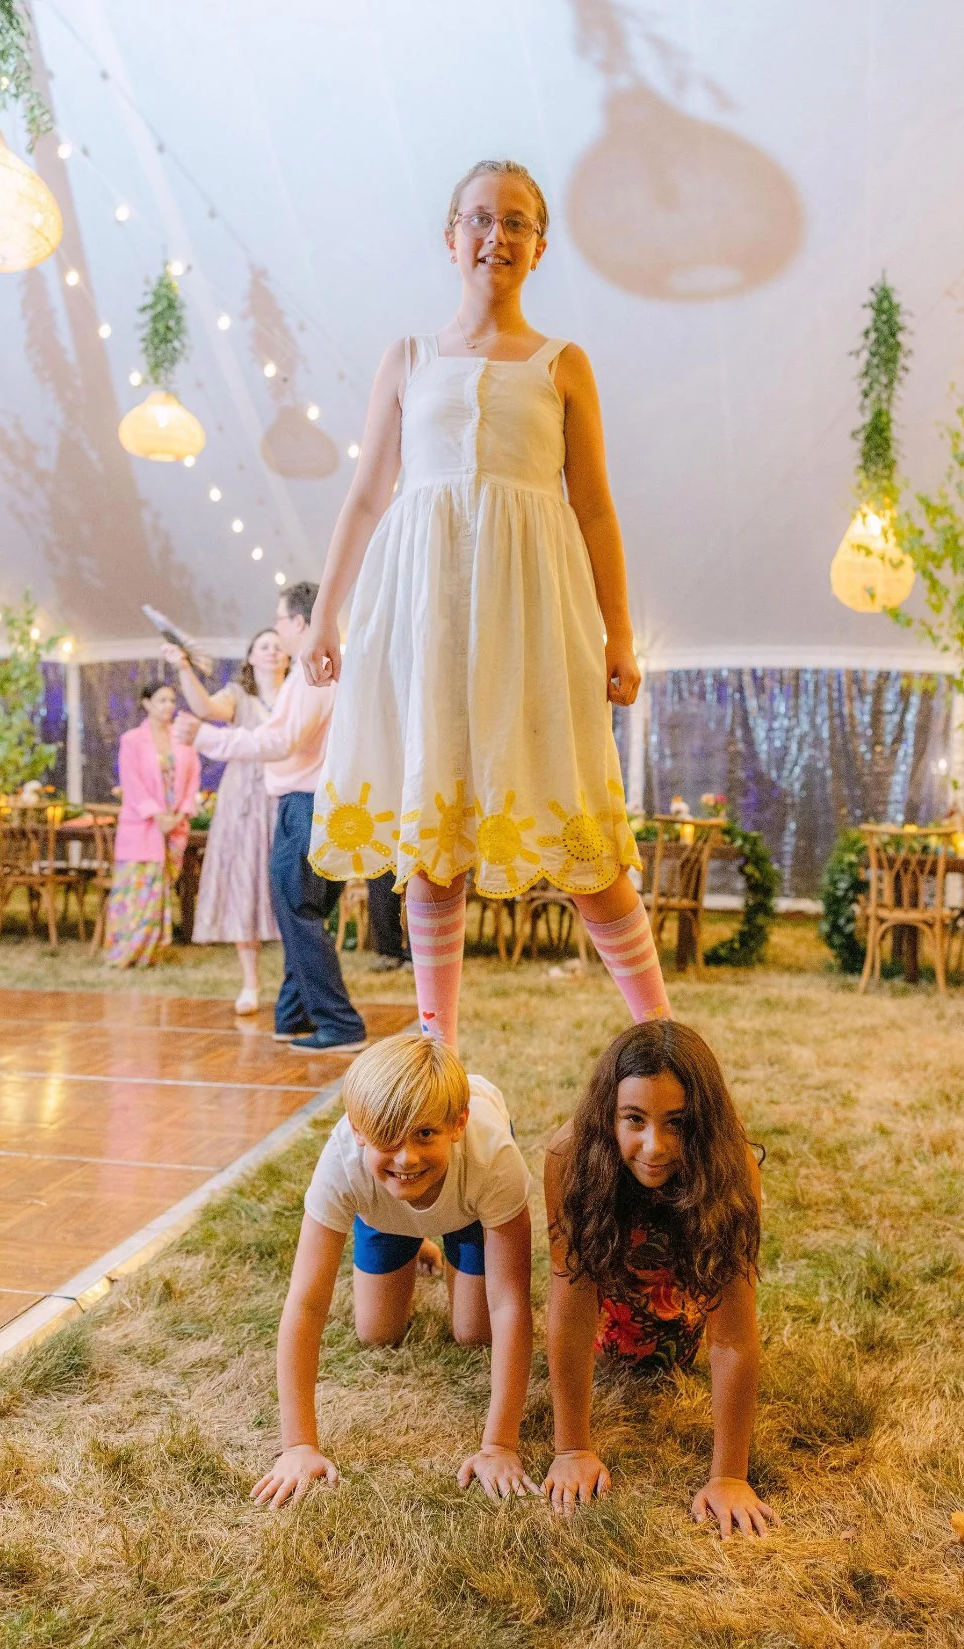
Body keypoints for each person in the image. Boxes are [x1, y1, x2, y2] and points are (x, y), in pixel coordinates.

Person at [300, 158, 671, 1054]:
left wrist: (619, 635)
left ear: (538, 246)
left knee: (585, 840)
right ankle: (438, 1056)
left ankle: (668, 1043)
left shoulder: (562, 365)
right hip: (423, 622)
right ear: (450, 236)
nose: (493, 236)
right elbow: (364, 496)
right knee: (433, 849)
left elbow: (594, 509)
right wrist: (325, 615)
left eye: (514, 223)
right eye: (477, 218)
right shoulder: (410, 359)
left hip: (535, 624)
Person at [250, 1034, 536, 1508]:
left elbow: (510, 1304)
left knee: (474, 1331)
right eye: (388, 1138)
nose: (406, 1157)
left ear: (458, 1124)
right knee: (377, 1331)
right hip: (383, 1210)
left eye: (425, 1134)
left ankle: (451, 1240)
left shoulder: (494, 1159)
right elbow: (306, 1302)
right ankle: (414, 1234)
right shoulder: (342, 1165)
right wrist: (298, 1446)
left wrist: (500, 1446)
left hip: (466, 1208)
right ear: (358, 1129)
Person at [542, 1021, 778, 1538]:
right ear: (609, 1115)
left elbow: (733, 1337)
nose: (654, 1146)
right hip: (614, 1295)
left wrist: (729, 1476)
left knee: (667, 1352)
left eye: (678, 1123)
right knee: (624, 1352)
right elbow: (571, 1301)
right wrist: (572, 1448)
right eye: (635, 1120)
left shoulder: (730, 1165)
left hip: (683, 1297)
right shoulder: (569, 1157)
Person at [174, 583, 366, 1053]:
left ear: (300, 622)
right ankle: (293, 1015)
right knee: (306, 911)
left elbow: (279, 742)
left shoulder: (310, 674)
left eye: (281, 621)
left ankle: (340, 1025)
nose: (278, 631)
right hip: (322, 802)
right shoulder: (329, 665)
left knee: (297, 913)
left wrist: (206, 739)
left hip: (305, 802)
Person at [162, 630, 287, 1015]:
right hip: (244, 801)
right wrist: (184, 668)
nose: (272, 650)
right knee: (244, 885)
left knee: (286, 889)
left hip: (286, 798)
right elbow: (203, 708)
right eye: (263, 645)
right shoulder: (237, 695)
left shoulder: (296, 695)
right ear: (250, 656)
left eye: (279, 645)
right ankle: (250, 982)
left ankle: (293, 982)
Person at [105, 681, 200, 968]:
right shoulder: (132, 740)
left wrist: (180, 813)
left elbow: (192, 779)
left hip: (175, 825)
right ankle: (127, 950)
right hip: (142, 825)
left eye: (172, 700)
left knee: (161, 888)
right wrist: (156, 816)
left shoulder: (183, 740)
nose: (168, 706)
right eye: (161, 700)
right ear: (146, 703)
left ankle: (153, 950)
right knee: (137, 887)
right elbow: (131, 783)